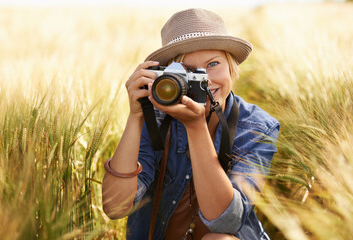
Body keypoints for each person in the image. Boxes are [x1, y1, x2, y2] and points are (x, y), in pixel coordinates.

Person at [102, 8, 280, 240]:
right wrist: (136, 116)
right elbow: (115, 207)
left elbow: (227, 220)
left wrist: (195, 127)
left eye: (213, 64)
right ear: (167, 76)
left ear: (231, 65)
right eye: (187, 71)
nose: (204, 80)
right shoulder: (156, 118)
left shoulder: (258, 127)